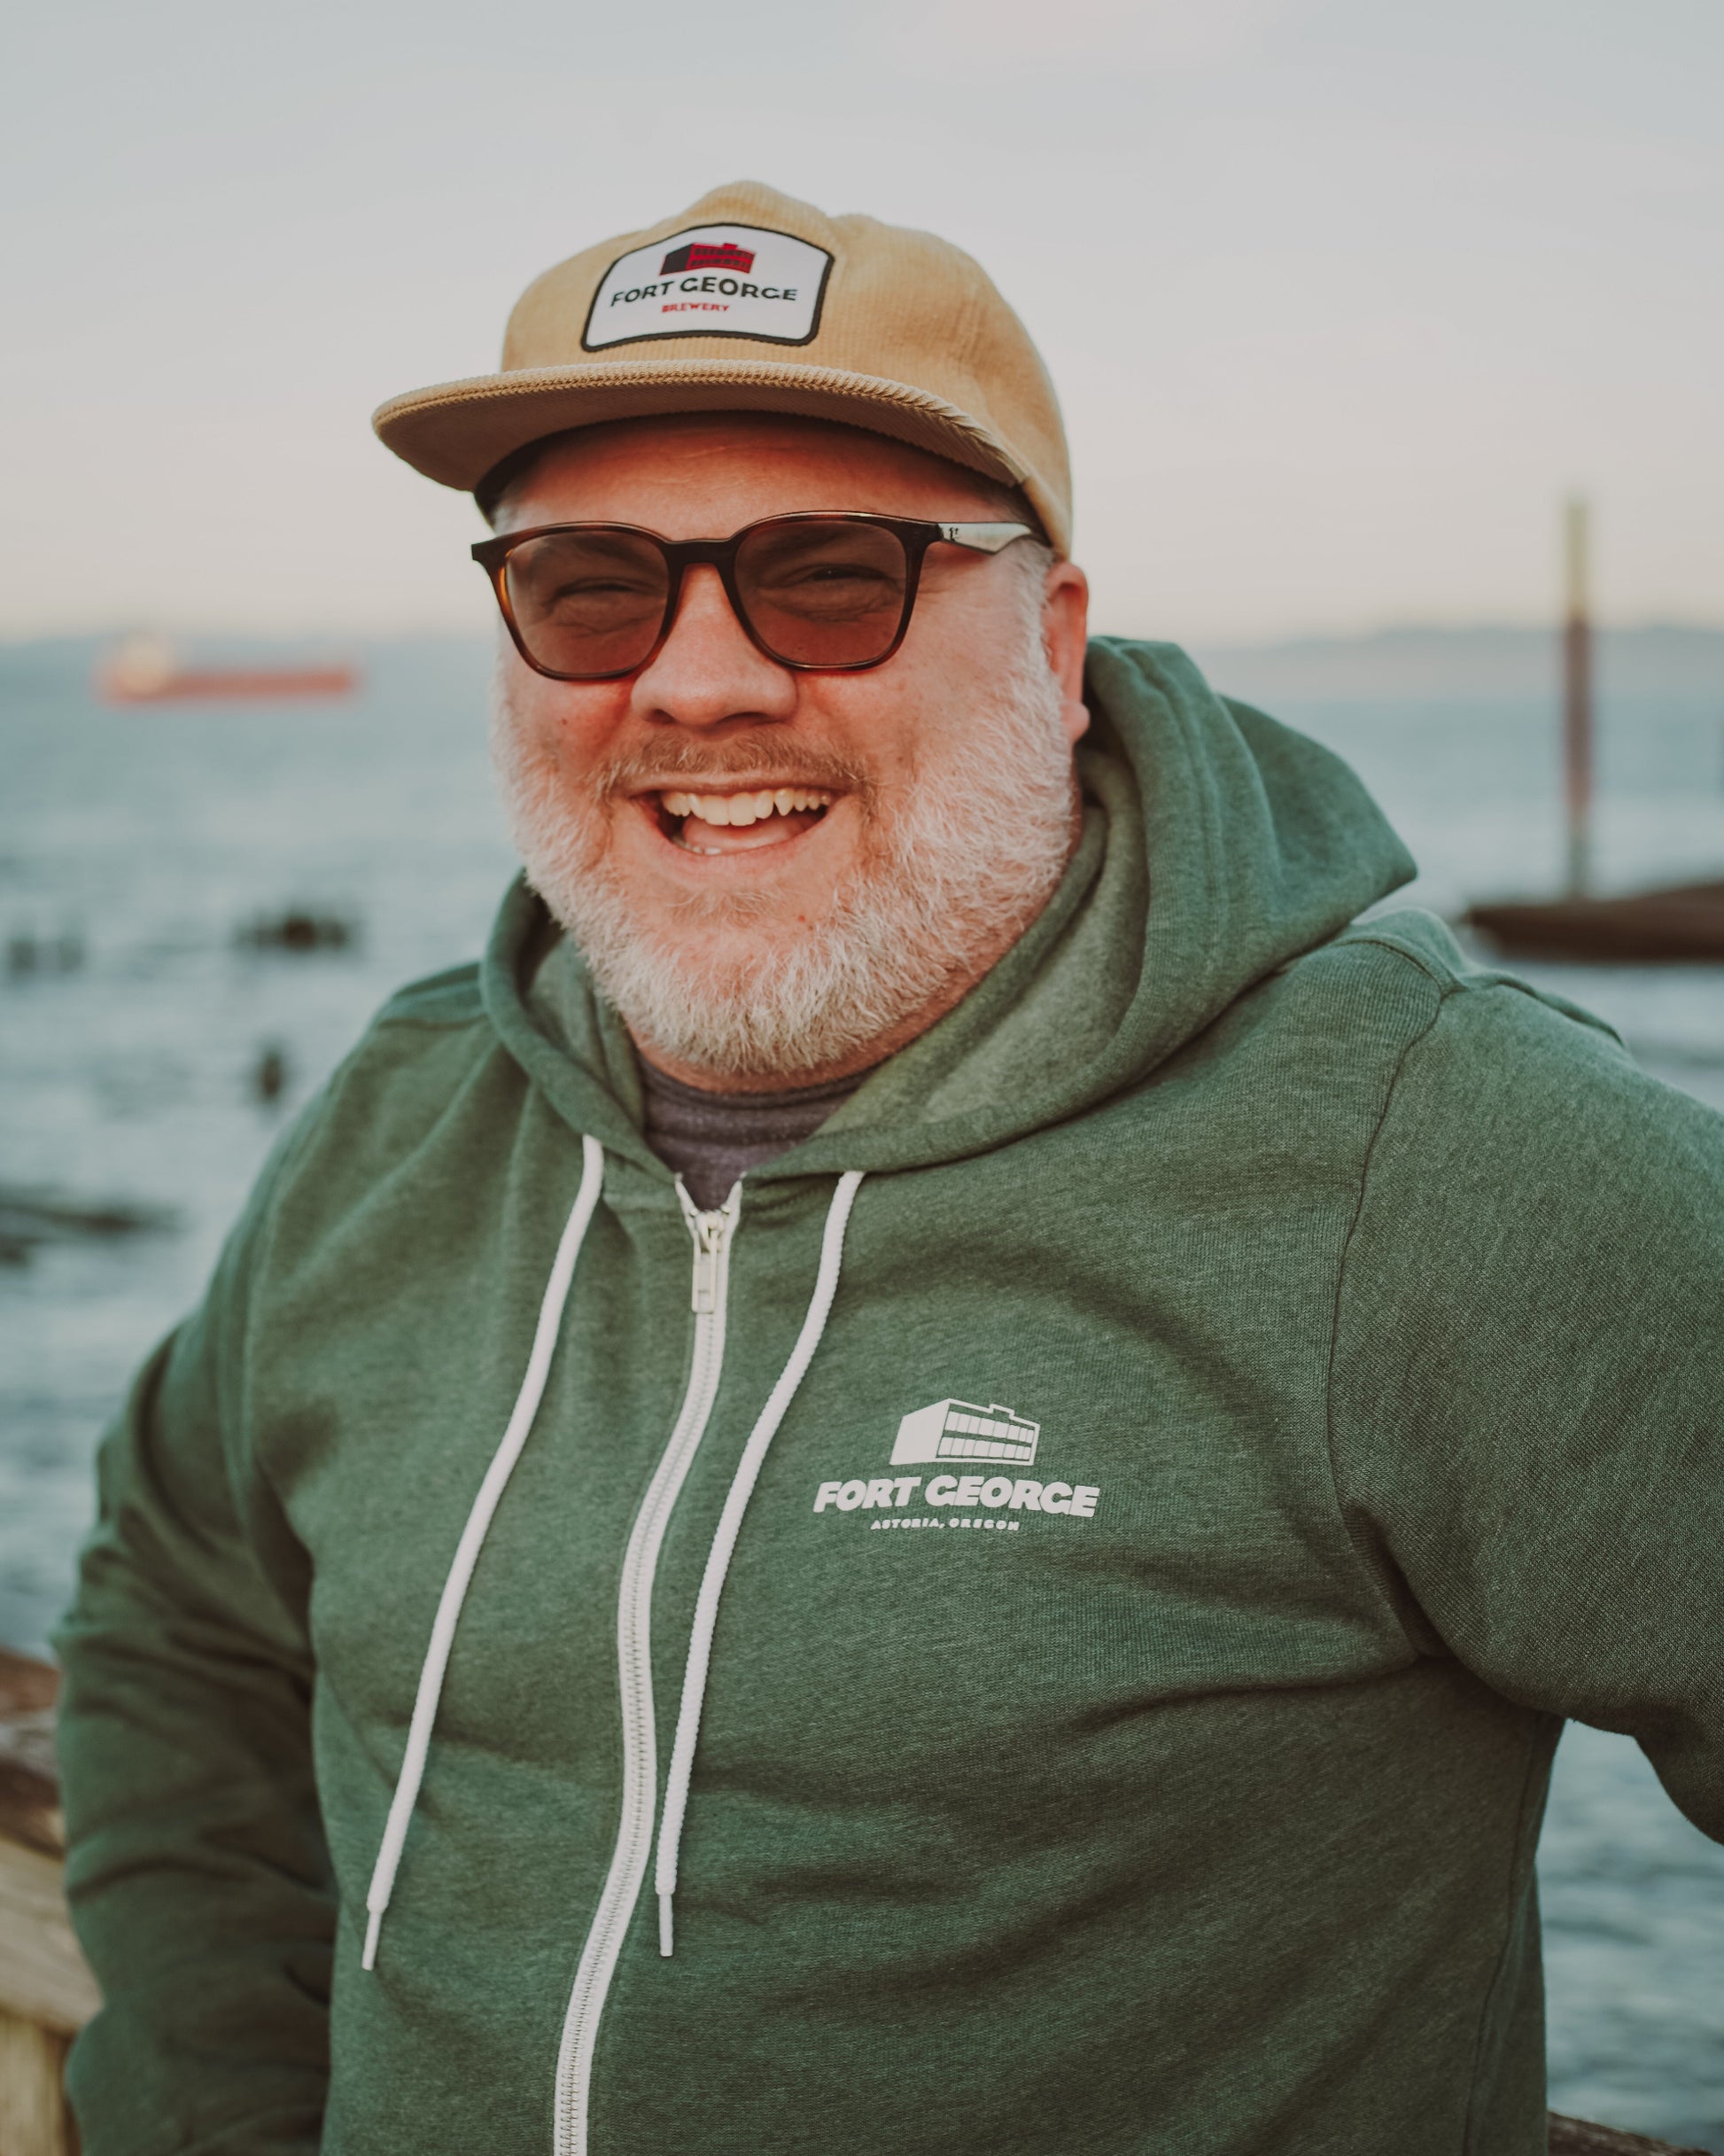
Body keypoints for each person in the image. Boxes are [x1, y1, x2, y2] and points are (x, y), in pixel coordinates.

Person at [53, 181, 1724, 2156]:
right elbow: (179, 1611)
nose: (697, 682)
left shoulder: (1427, 1153)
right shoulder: (403, 1117)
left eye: (830, 576)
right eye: (590, 586)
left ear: (1055, 642)